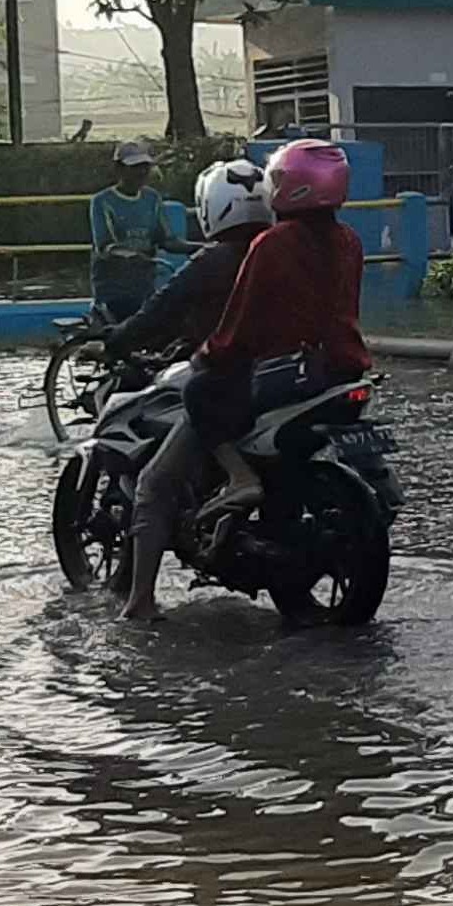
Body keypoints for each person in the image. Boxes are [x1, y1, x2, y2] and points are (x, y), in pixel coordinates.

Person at [122, 140, 369, 624]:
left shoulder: (272, 245)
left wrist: (207, 356)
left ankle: (142, 600)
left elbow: (240, 327)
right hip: (339, 372)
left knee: (180, 428)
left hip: (285, 378)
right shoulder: (350, 242)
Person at [105, 158, 272, 363]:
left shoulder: (211, 263)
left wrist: (113, 341)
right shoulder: (283, 246)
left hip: (226, 366)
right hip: (282, 364)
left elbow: (161, 309)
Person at [88, 141, 188, 321]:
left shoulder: (152, 198)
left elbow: (167, 240)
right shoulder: (102, 201)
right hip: (113, 287)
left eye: (145, 167)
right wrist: (132, 256)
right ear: (119, 169)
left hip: (144, 284)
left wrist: (204, 247)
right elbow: (105, 245)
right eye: (134, 167)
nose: (141, 173)